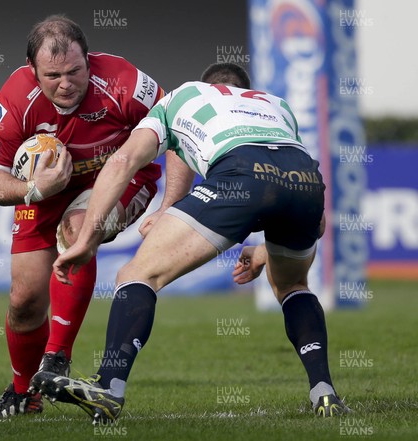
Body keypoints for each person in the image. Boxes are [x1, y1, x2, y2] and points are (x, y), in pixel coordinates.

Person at [45, 62, 350, 422]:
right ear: (243, 89)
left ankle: (109, 387)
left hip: (239, 172)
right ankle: (324, 392)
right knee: (294, 285)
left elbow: (124, 160)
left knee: (138, 275)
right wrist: (267, 249)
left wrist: (85, 240)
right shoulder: (276, 105)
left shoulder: (184, 95)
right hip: (305, 182)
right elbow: (313, 221)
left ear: (209, 86)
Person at [0, 15, 187, 418]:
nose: (66, 83)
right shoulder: (15, 99)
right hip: (45, 192)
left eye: (75, 71)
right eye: (53, 75)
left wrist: (168, 206)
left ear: (89, 60)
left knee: (77, 229)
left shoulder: (125, 81)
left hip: (121, 178)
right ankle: (25, 394)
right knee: (23, 301)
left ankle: (56, 358)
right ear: (31, 70)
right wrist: (33, 189)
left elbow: (179, 132)